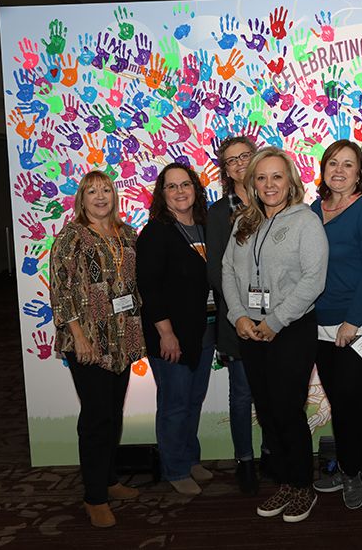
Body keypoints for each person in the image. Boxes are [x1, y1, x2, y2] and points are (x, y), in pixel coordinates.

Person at [221, 146, 328, 523]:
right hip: (251, 331)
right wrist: (237, 315)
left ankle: (303, 486)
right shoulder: (243, 221)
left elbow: (314, 281)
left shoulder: (306, 222)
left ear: (290, 182)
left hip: (292, 330)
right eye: (262, 177)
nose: (269, 184)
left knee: (287, 409)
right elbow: (228, 271)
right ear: (252, 182)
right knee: (266, 410)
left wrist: (277, 320)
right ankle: (284, 481)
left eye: (277, 176)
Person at [49, 170, 144, 528]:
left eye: (106, 190)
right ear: (82, 199)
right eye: (92, 191)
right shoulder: (71, 236)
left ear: (114, 196)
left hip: (122, 338)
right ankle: (94, 497)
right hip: (88, 340)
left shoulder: (128, 234)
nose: (101, 197)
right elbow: (60, 290)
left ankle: (109, 480)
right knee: (96, 419)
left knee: (113, 413)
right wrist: (78, 335)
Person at [309, 140, 362, 509]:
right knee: (339, 398)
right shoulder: (313, 211)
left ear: (360, 173)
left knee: (348, 393)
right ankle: (347, 465)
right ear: (323, 169)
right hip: (321, 323)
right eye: (333, 163)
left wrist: (353, 321)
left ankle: (354, 471)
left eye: (348, 164)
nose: (339, 170)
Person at [137, 163, 215, 496]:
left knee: (194, 399)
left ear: (196, 189)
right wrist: (166, 334)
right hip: (171, 334)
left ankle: (189, 457)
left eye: (185, 184)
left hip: (205, 329)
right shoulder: (156, 232)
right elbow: (149, 288)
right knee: (175, 403)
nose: (180, 191)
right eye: (171, 186)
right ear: (162, 194)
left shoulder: (205, 227)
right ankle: (175, 468)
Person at [206, 135, 265, 495]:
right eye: (232, 160)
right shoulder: (218, 213)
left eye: (246, 156)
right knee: (242, 393)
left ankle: (273, 453)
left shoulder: (277, 199)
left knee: (274, 392)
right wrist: (242, 312)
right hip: (237, 318)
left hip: (277, 318)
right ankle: (245, 460)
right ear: (225, 171)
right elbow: (215, 270)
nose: (241, 163)